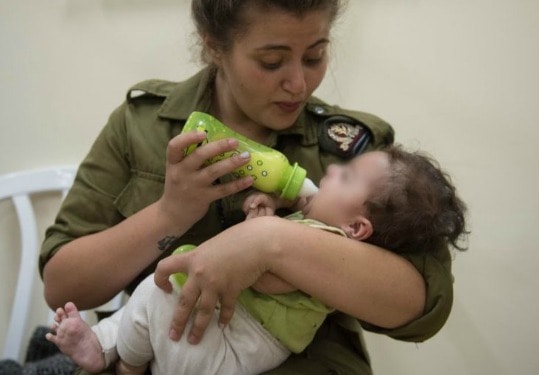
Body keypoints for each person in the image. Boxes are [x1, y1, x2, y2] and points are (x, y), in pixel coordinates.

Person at [39, 1, 460, 374]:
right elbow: (63, 287)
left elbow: (422, 304)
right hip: (155, 348)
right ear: (214, 46)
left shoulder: (357, 155)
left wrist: (268, 241)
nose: (298, 83)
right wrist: (168, 215)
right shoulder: (140, 126)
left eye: (315, 55)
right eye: (273, 61)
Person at [45, 145, 468, 375]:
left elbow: (272, 282)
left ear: (357, 228)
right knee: (154, 298)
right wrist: (268, 209)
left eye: (347, 176)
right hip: (222, 323)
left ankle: (123, 362)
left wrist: (260, 240)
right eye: (271, 60)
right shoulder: (323, 216)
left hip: (246, 342)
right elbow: (300, 193)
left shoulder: (332, 246)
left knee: (158, 298)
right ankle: (101, 344)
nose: (333, 169)